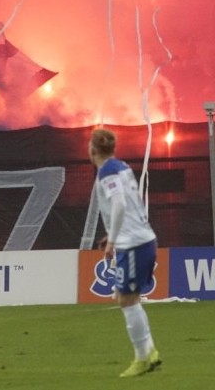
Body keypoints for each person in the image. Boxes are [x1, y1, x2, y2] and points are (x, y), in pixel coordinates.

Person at [88, 128, 162, 378]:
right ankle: (149, 352)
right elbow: (128, 204)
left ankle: (143, 357)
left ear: (92, 149)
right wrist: (113, 235)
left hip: (133, 243)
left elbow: (119, 203)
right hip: (141, 238)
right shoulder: (122, 167)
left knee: (127, 299)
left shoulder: (107, 171)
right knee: (124, 295)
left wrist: (114, 240)